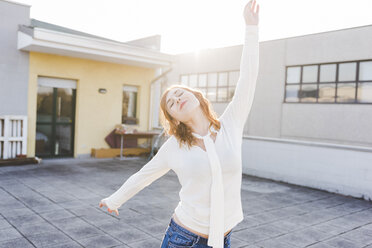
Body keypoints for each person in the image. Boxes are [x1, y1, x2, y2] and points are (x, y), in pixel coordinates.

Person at [99, 1, 260, 247]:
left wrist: (251, 28)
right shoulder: (174, 146)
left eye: (180, 93)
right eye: (171, 103)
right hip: (183, 238)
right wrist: (114, 200)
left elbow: (248, 78)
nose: (177, 99)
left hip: (224, 238)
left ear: (196, 96)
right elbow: (144, 176)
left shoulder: (230, 125)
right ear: (174, 118)